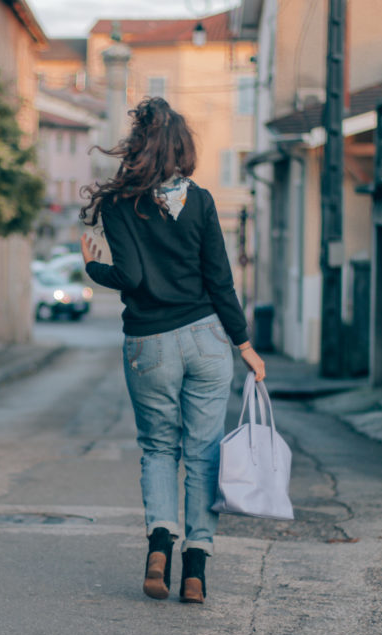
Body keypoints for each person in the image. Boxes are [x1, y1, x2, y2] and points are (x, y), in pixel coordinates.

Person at [79, 97, 265, 604]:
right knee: (203, 453)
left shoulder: (119, 204)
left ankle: (160, 542)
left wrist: (92, 268)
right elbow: (220, 280)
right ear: (181, 148)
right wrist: (243, 343)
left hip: (150, 342)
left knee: (160, 448)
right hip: (207, 338)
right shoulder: (201, 201)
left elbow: (130, 277)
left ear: (137, 149)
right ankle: (196, 571)